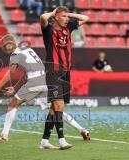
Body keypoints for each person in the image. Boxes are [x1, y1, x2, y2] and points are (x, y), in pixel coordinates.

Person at [0, 34, 90, 149]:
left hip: (35, 81)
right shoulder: (27, 49)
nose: (5, 47)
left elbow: (11, 72)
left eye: (5, 45)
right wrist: (15, 88)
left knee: (13, 104)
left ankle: (4, 135)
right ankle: (81, 129)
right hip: (45, 79)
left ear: (10, 44)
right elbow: (24, 75)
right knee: (55, 109)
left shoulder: (15, 54)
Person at [40, 6, 89, 149]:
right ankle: (62, 140)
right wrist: (54, 12)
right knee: (59, 105)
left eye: (67, 17)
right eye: (64, 16)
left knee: (54, 108)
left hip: (66, 72)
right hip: (53, 71)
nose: (67, 19)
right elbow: (43, 17)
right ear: (56, 17)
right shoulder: (48, 29)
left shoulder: (70, 27)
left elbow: (86, 18)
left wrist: (68, 13)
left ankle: (44, 141)